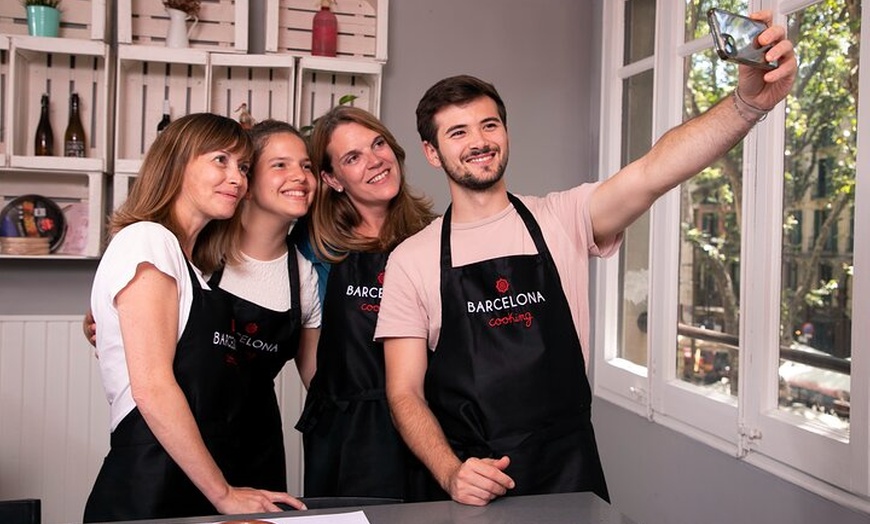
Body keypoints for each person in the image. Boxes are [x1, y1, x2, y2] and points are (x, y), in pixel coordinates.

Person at [376, 11, 796, 507]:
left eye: (489, 125)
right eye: (458, 132)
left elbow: (655, 171)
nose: (479, 142)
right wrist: (450, 473)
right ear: (432, 151)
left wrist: (747, 104)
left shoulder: (564, 217)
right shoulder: (412, 258)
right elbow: (404, 393)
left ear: (506, 133)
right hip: (472, 483)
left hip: (569, 471)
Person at [84, 113, 305, 522]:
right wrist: (222, 493)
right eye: (220, 160)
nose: (237, 179)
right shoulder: (147, 239)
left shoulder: (194, 268)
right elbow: (151, 388)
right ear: (176, 162)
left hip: (191, 476)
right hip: (152, 484)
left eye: (242, 167)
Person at [294, 106, 437, 500]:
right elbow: (311, 355)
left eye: (378, 144)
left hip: (424, 422)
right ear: (332, 179)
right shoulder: (314, 247)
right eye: (352, 158)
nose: (375, 160)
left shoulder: (433, 238)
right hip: (345, 433)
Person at [208, 119, 321, 492]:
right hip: (187, 440)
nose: (300, 176)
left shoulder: (304, 278)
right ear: (247, 184)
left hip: (258, 450)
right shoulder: (200, 255)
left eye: (306, 166)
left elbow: (316, 379)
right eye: (280, 165)